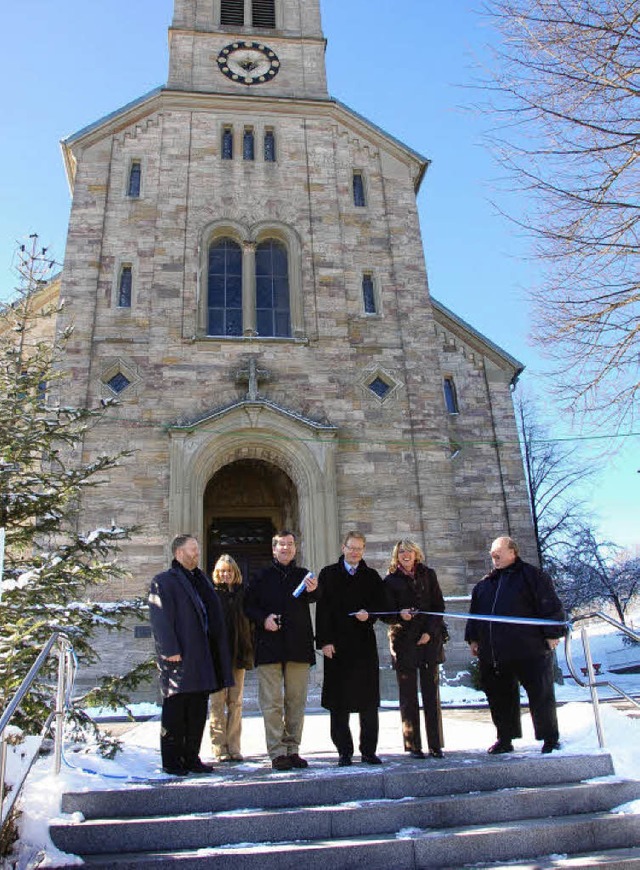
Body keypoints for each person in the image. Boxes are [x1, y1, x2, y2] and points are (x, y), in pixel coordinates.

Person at [465, 535, 566, 755]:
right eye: (492, 552)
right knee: (500, 697)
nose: (494, 555)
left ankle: (549, 738)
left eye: (498, 550)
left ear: (513, 552)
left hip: (529, 649)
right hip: (495, 653)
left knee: (540, 694)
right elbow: (475, 614)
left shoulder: (532, 576)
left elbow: (549, 603)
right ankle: (505, 738)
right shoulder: (485, 584)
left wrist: (552, 633)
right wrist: (473, 638)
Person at [148, 534, 234, 776]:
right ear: (178, 553)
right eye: (192, 550)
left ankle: (191, 756)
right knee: (176, 710)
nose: (197, 553)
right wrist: (169, 649)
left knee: (197, 709)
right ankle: (173, 761)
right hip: (179, 656)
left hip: (202, 655)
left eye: (197, 549)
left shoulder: (201, 580)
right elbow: (159, 617)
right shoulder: (164, 581)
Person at [244, 530, 319, 771]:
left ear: (295, 549)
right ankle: (277, 752)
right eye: (281, 545)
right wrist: (263, 619)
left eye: (289, 544)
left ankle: (293, 749)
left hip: (298, 645)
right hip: (269, 646)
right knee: (272, 702)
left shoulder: (303, 576)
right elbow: (247, 605)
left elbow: (315, 598)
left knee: (296, 702)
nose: (286, 548)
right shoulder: (261, 576)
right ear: (273, 549)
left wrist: (314, 590)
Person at [316, 531, 385, 766]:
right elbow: (322, 610)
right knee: (339, 703)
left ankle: (368, 751)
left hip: (364, 646)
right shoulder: (328, 574)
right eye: (351, 547)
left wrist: (371, 614)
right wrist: (324, 641)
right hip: (337, 646)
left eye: (359, 548)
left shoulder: (371, 576)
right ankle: (344, 752)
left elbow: (381, 605)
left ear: (363, 550)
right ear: (343, 547)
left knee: (368, 703)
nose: (355, 552)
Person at [383, 539, 446, 759]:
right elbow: (386, 613)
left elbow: (438, 607)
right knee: (408, 696)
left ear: (416, 553)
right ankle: (413, 745)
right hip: (404, 642)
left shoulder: (429, 575)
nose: (405, 554)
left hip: (429, 640)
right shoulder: (391, 581)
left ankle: (436, 744)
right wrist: (399, 614)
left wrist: (429, 632)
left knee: (431, 693)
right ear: (396, 556)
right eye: (401, 552)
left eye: (409, 551)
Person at [209, 554, 254, 762]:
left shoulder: (244, 594)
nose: (226, 574)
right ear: (217, 574)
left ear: (235, 573)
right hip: (218, 654)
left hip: (238, 652)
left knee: (235, 701)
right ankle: (219, 747)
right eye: (222, 571)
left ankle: (234, 747)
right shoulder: (211, 594)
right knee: (218, 701)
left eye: (229, 571)